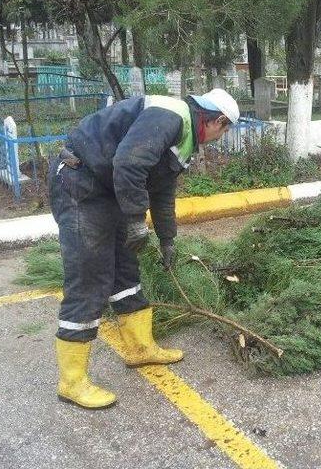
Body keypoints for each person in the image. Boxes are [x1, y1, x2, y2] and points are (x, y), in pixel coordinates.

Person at [49, 88, 240, 408]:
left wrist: (168, 239)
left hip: (109, 189)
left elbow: (162, 191)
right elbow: (128, 162)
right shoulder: (171, 117)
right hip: (80, 184)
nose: (221, 137)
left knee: (125, 270)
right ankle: (71, 382)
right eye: (225, 130)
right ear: (218, 121)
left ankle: (139, 349)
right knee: (90, 279)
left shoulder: (183, 136)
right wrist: (137, 220)